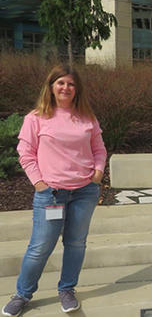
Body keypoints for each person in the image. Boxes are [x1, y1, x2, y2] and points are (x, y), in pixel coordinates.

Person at [2, 65, 107, 316]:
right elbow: (25, 154)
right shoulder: (36, 117)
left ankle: (67, 289)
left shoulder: (87, 117)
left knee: (76, 243)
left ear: (76, 89)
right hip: (51, 195)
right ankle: (22, 294)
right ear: (51, 86)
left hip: (84, 192)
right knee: (40, 246)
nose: (66, 88)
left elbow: (99, 150)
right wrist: (40, 183)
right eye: (61, 83)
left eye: (71, 84)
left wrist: (97, 175)